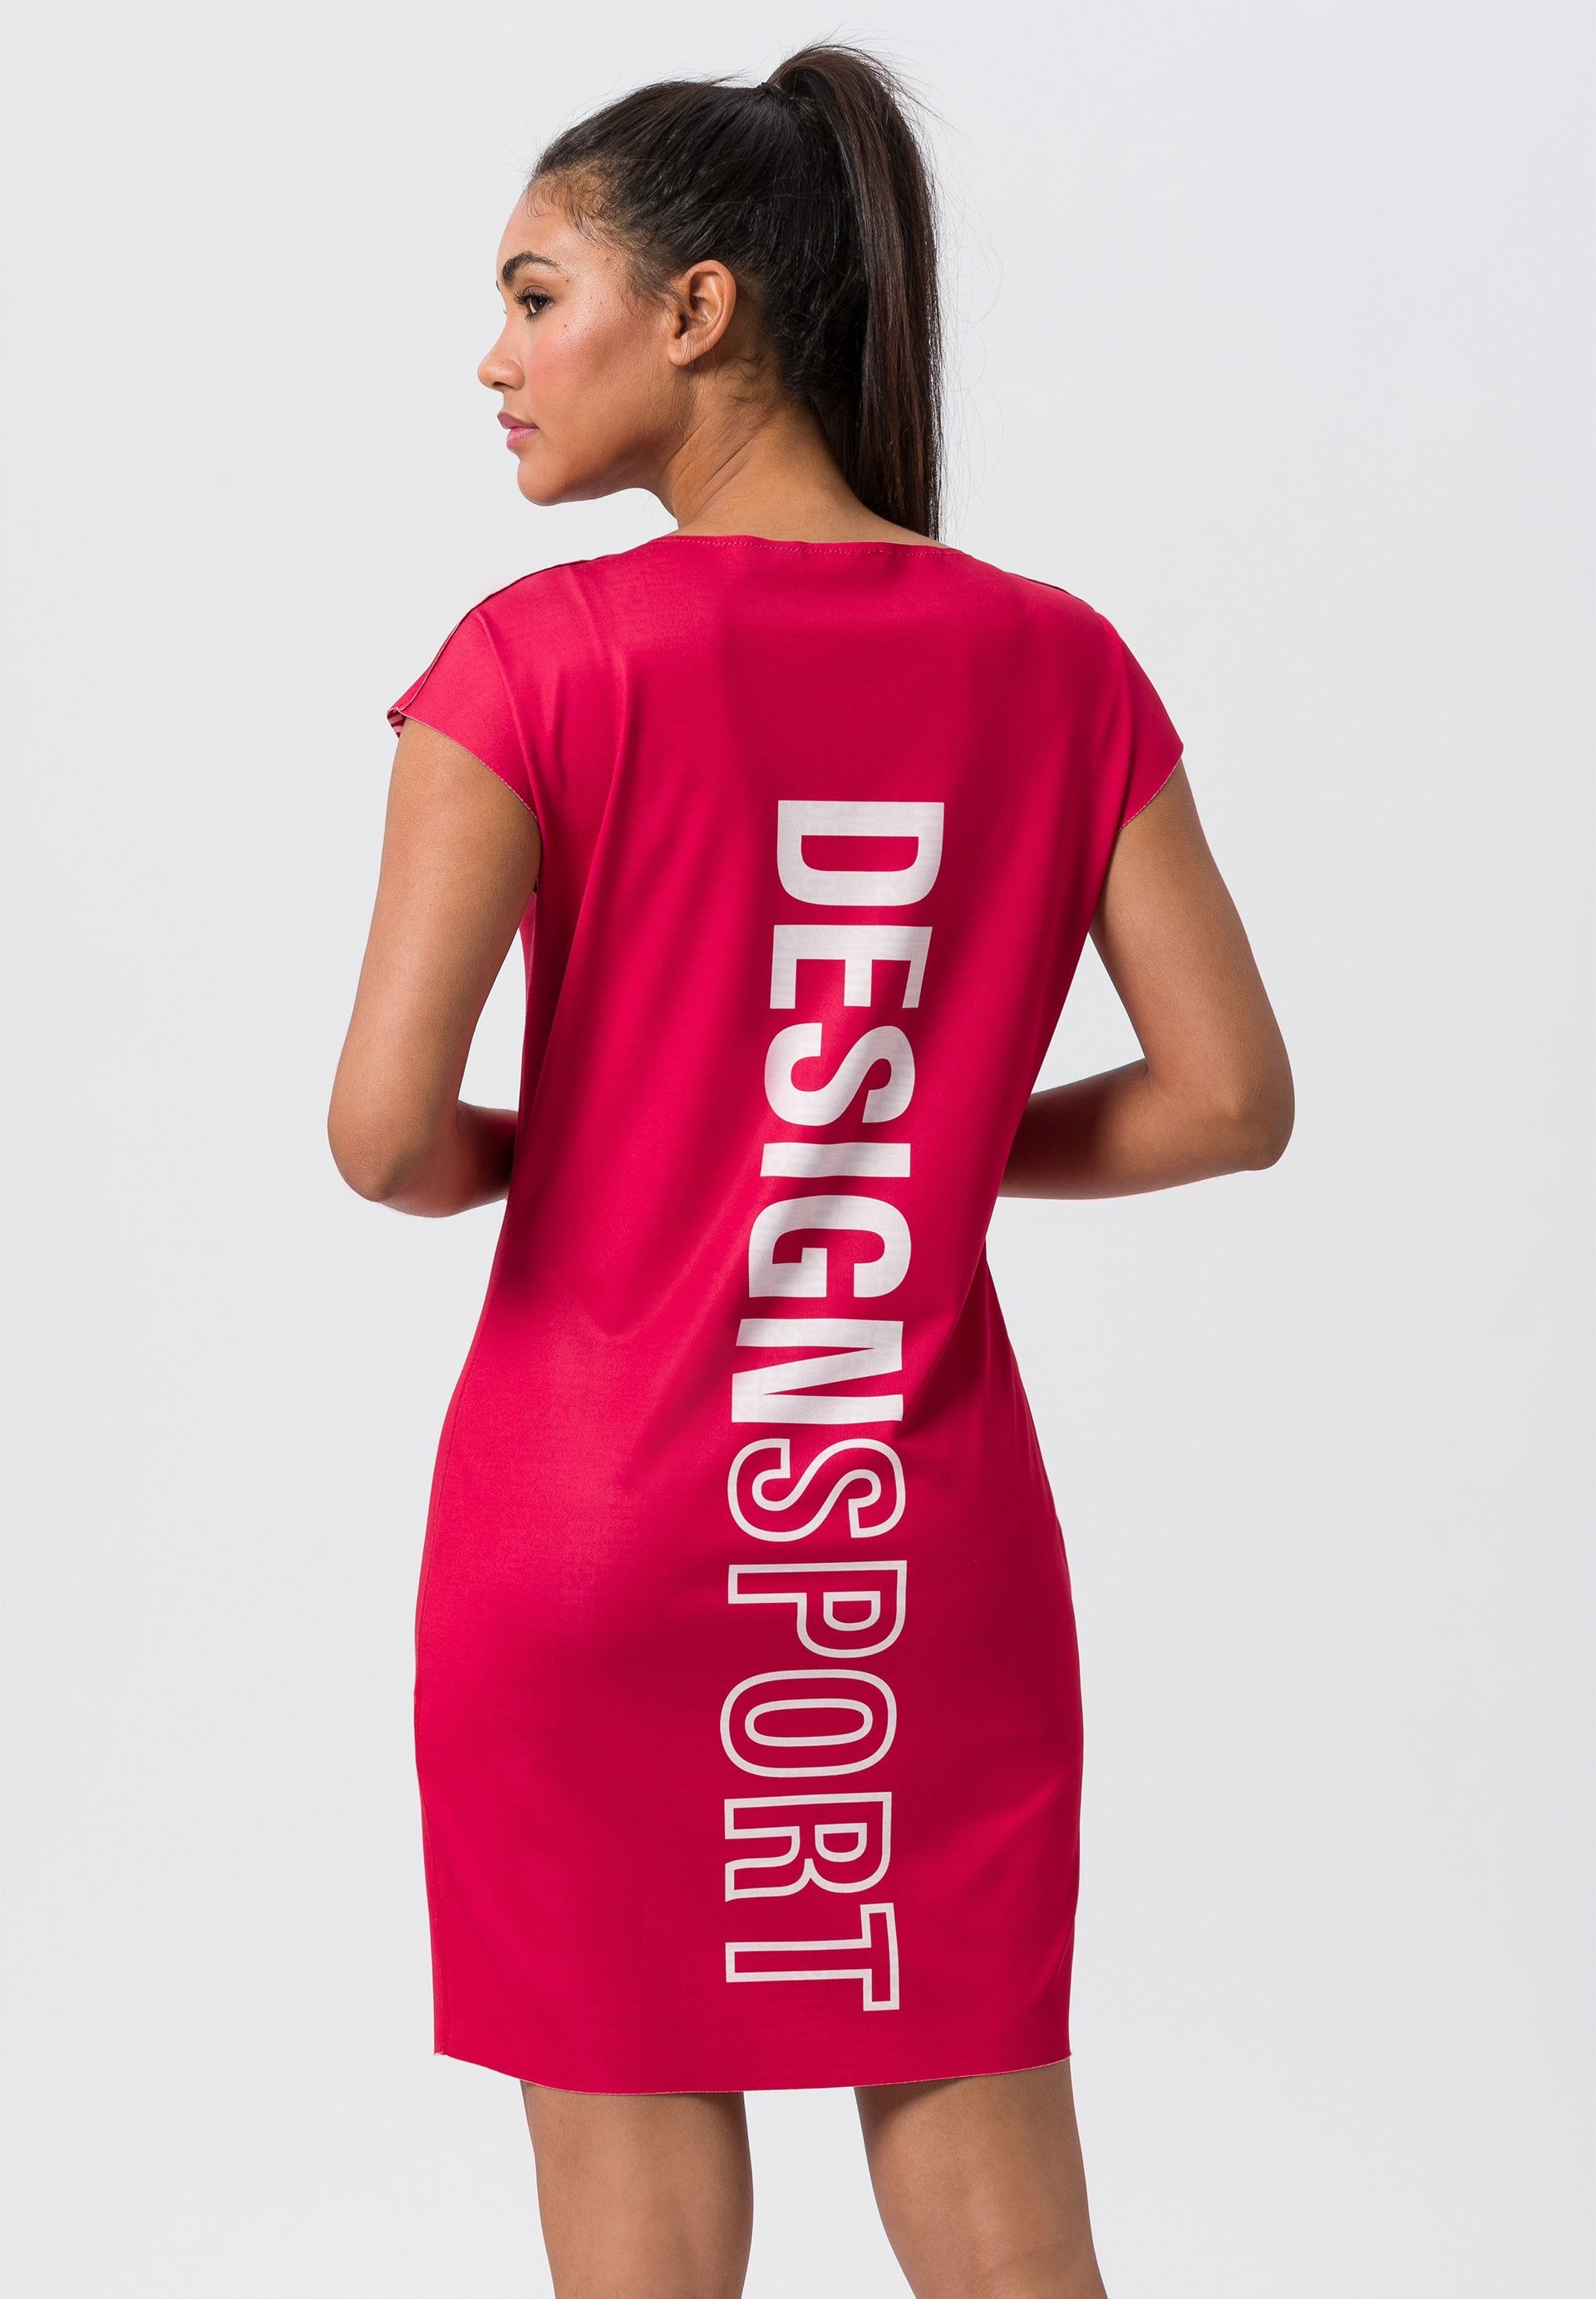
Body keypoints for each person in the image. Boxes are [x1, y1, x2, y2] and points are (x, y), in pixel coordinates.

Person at [328, 39, 1293, 2299]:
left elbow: (384, 1138)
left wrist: (630, 1149)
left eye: (534, 294)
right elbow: (1230, 1098)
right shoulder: (1056, 664)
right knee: (1004, 2211)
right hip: (902, 1538)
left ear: (700, 310)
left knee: (636, 2237)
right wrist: (884, 1151)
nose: (494, 358)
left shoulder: (531, 665)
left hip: (588, 1536)